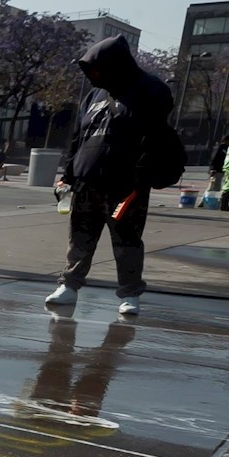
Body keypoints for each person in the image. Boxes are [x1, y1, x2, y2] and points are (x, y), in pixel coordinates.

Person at [45, 34, 174, 317]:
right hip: (87, 182)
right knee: (80, 237)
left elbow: (157, 135)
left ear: (115, 65)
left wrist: (143, 174)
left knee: (126, 240)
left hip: (126, 185)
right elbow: (79, 138)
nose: (91, 75)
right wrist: (67, 175)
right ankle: (69, 286)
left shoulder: (150, 89)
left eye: (96, 68)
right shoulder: (95, 95)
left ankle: (130, 294)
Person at [207, 134, 229, 205]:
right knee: (213, 186)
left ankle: (207, 201)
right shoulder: (220, 147)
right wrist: (212, 169)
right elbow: (214, 158)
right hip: (216, 170)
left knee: (215, 186)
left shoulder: (227, 147)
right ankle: (207, 201)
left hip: (221, 170)